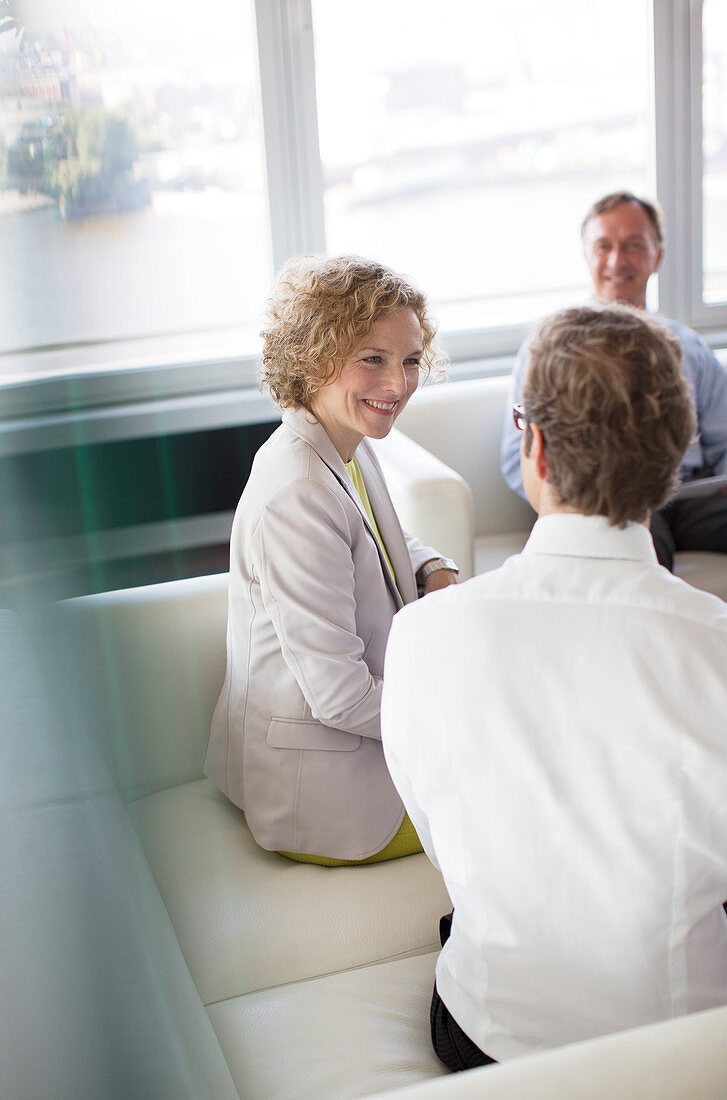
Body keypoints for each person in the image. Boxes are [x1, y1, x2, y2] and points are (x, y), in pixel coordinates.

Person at [382, 305, 727, 1070]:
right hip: (687, 1048)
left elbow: (443, 840)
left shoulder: (421, 635)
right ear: (673, 458)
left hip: (488, 1041)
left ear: (530, 444)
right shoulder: (715, 648)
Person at [204, 255, 458, 865]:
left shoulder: (343, 443)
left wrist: (430, 568)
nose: (397, 384)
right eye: (372, 359)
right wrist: (456, 717)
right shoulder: (296, 491)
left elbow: (374, 535)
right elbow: (340, 698)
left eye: (410, 360)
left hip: (335, 752)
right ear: (312, 356)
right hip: (322, 798)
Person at [500, 190, 727, 571]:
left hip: (688, 495)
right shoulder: (550, 347)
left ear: (658, 255)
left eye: (633, 245)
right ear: (587, 254)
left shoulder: (689, 347)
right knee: (632, 538)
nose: (617, 260)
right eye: (603, 245)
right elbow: (515, 459)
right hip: (603, 498)